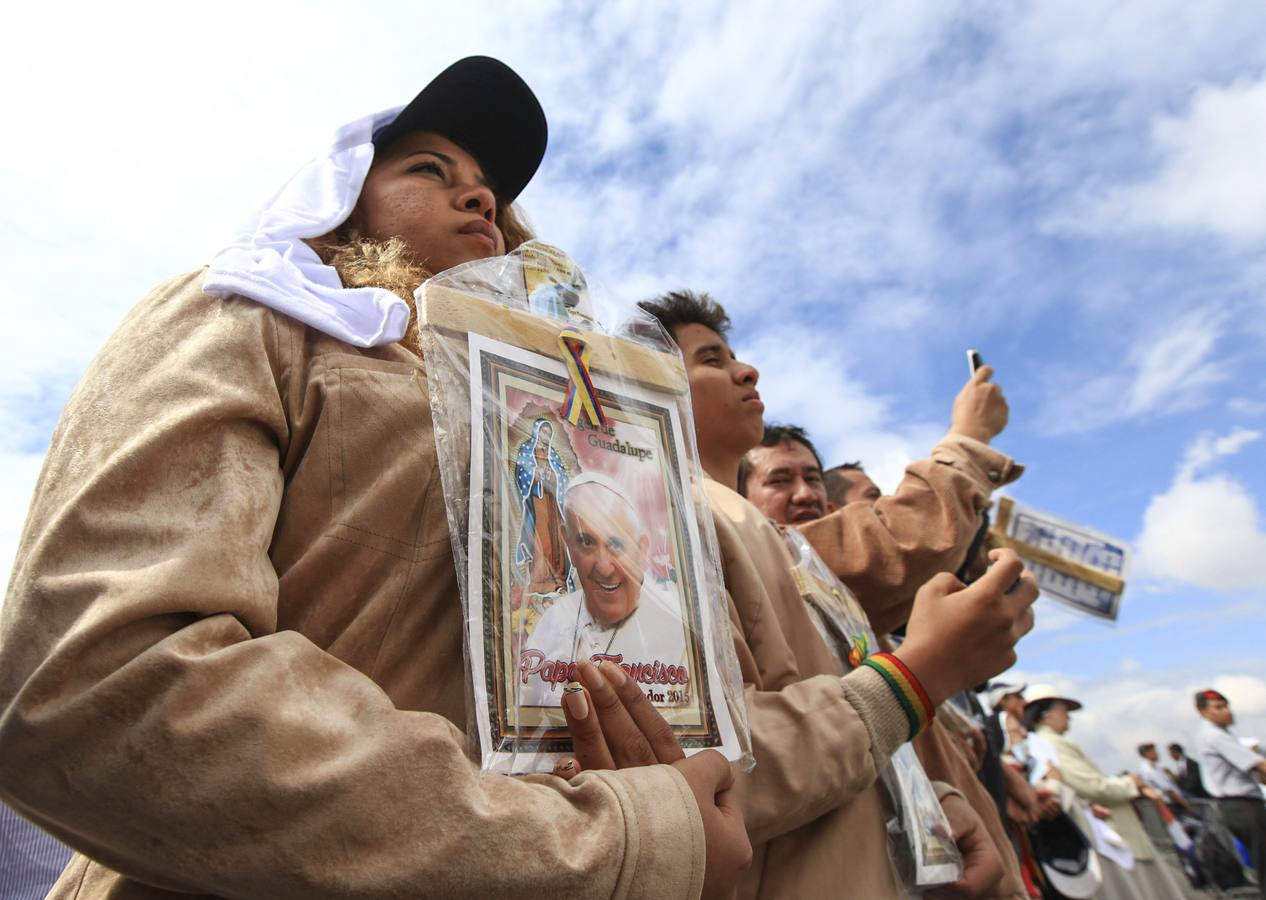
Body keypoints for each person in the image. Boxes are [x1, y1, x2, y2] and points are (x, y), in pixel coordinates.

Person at [0, 57, 751, 899]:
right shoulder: (259, 313)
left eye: (492, 196)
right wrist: (608, 844)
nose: (479, 199)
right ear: (342, 194)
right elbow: (101, 681)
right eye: (432, 169)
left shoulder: (538, 426)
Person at [638, 289, 1040, 898]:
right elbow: (708, 770)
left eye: (734, 356)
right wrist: (921, 674)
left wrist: (931, 799)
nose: (747, 371)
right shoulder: (655, 516)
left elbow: (846, 694)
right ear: (648, 382)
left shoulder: (781, 546)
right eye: (711, 360)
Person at [739, 421, 1032, 899]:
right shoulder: (747, 556)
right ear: (741, 498)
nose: (805, 494)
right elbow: (904, 543)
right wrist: (970, 433)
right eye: (779, 480)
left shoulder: (843, 608)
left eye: (813, 478)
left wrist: (941, 798)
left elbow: (888, 750)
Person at [517, 475, 688, 706]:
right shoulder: (554, 621)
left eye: (616, 545)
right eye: (586, 542)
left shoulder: (680, 626)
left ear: (642, 549)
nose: (604, 567)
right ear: (568, 544)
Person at [1024, 686, 1188, 900]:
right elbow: (1093, 787)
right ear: (1046, 715)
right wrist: (1131, 783)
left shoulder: (1048, 743)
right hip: (1112, 834)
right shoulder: (1052, 744)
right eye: (1064, 712)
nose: (1068, 719)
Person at [1193, 689, 1266, 897]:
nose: (1226, 712)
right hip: (1242, 805)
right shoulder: (1213, 735)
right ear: (1202, 711)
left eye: (1226, 706)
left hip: (1242, 804)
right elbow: (1258, 765)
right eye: (1218, 708)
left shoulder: (1221, 734)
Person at [514, 418, 573, 596]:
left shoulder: (553, 455)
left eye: (549, 433)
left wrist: (551, 475)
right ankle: (539, 580)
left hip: (552, 503)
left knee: (557, 540)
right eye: (543, 432)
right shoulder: (526, 451)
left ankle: (558, 580)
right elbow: (521, 474)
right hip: (537, 503)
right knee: (541, 539)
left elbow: (562, 477)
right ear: (536, 431)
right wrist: (535, 475)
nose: (546, 436)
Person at [1137, 743, 1191, 813]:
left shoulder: (1153, 767)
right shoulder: (1150, 769)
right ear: (1147, 754)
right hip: (1174, 805)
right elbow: (1168, 790)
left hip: (1174, 803)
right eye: (1153, 751)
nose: (1157, 753)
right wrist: (1186, 806)